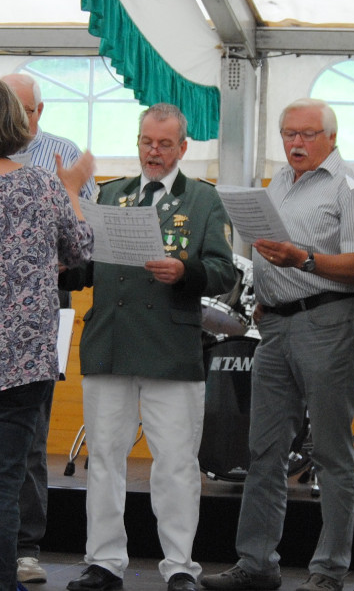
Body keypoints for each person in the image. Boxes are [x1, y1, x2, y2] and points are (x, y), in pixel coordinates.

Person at [201, 98, 354, 591]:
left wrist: (301, 260)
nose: (296, 143)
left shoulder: (351, 185)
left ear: (331, 137)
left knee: (330, 452)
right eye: (288, 134)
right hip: (275, 326)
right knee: (263, 450)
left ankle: (328, 571)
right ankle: (256, 563)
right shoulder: (278, 182)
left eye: (306, 134)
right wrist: (267, 298)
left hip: (327, 321)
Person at [63, 103, 237, 591]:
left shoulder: (203, 200)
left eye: (163, 144)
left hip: (170, 346)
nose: (153, 152)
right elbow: (84, 266)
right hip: (110, 342)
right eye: (146, 142)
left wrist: (187, 272)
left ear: (183, 147)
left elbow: (224, 272)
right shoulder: (110, 193)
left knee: (177, 463)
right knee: (104, 460)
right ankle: (103, 562)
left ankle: (180, 565)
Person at [1, 72, 96, 585]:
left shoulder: (55, 157)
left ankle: (25, 549)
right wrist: (73, 192)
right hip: (23, 345)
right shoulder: (41, 180)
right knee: (10, 466)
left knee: (25, 453)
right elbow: (80, 246)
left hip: (27, 331)